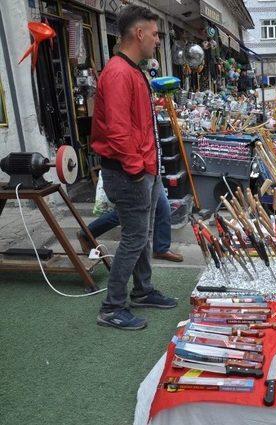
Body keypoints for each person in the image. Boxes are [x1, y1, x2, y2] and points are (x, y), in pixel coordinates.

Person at [91, 5, 177, 330]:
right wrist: (137, 168)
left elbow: (132, 123)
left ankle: (142, 290)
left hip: (144, 168)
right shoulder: (117, 72)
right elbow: (117, 129)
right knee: (134, 237)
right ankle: (112, 306)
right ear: (139, 33)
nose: (157, 40)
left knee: (143, 234)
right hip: (130, 172)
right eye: (155, 34)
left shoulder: (132, 70)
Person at [78, 188, 183, 262]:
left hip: (151, 171)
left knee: (162, 206)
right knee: (126, 212)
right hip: (135, 173)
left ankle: (161, 249)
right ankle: (87, 233)